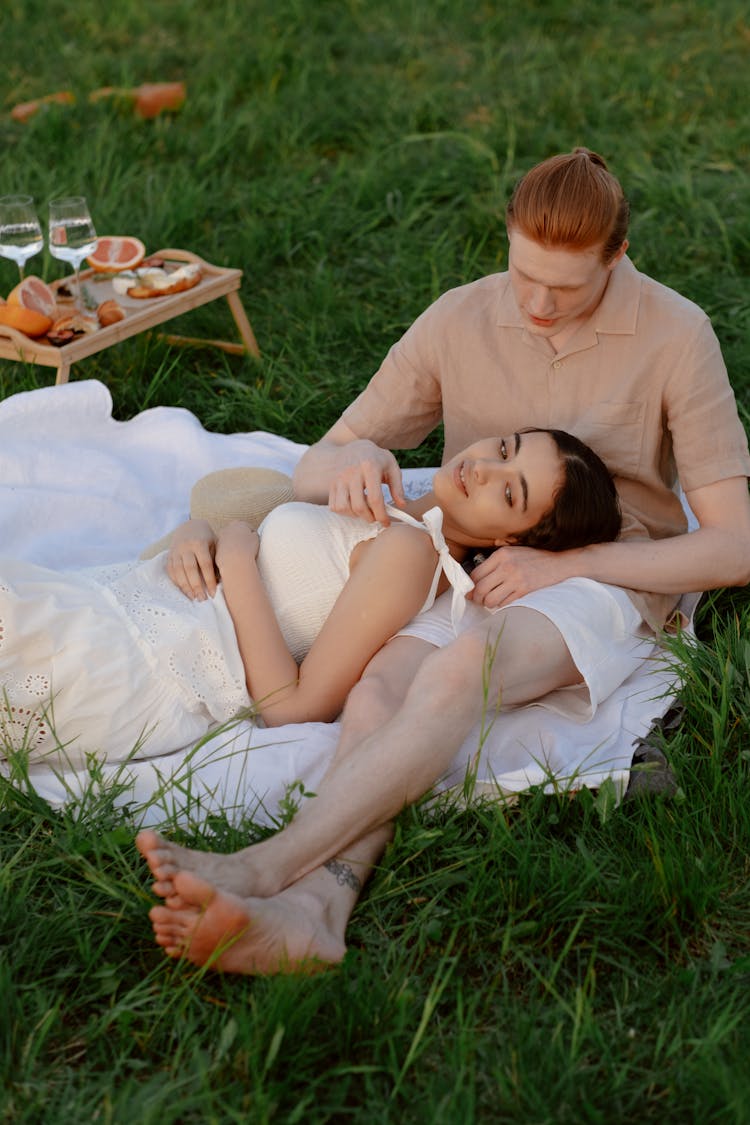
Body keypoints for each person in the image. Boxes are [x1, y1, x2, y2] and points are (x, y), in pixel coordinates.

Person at [137, 147, 750, 977]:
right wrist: (349, 464)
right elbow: (321, 458)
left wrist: (572, 567)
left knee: (465, 664)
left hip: (613, 570)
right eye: (522, 271)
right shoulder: (460, 317)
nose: (535, 303)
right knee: (379, 690)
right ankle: (319, 909)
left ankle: (268, 866)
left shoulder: (679, 335)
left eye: (565, 287)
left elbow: (735, 545)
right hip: (475, 550)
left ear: (620, 257)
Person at [0, 429, 617, 770]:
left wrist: (238, 564)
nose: (485, 469)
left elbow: (293, 709)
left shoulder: (411, 553)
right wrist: (200, 534)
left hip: (152, 661)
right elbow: (244, 536)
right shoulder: (388, 504)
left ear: (512, 539)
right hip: (134, 601)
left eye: (510, 494)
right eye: (504, 449)